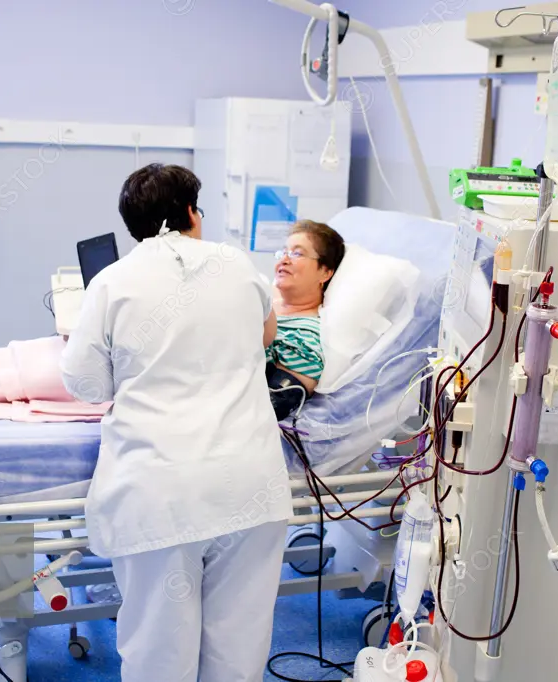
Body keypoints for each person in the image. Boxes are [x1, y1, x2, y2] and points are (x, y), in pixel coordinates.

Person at [60, 163, 292, 682]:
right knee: (239, 644)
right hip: (250, 487)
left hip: (161, 494)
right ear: (191, 212)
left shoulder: (112, 282)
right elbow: (265, 336)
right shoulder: (236, 264)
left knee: (159, 651)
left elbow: (85, 384)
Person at [265, 219, 345, 420]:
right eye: (283, 252)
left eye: (297, 253)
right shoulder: (263, 297)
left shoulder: (306, 337)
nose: (284, 260)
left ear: (325, 272)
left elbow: (274, 404)